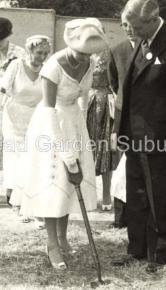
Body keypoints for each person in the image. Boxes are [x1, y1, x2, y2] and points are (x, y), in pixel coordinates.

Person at [112, 0, 166, 273]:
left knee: (159, 195)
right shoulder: (141, 39)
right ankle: (136, 249)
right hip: (133, 136)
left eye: (136, 26)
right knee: (135, 195)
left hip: (162, 138)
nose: (131, 32)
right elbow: (129, 90)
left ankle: (159, 255)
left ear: (153, 19)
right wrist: (119, 131)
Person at [19, 18, 107, 270]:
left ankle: (63, 237)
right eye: (80, 53)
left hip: (73, 123)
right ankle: (51, 243)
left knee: (71, 182)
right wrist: (65, 150)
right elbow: (48, 110)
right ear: (70, 45)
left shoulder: (88, 63)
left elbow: (83, 100)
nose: (83, 58)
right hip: (50, 126)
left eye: (88, 54)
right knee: (53, 182)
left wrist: (81, 139)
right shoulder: (52, 65)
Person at [1, 35, 51, 228]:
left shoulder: (47, 68)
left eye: (46, 53)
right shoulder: (16, 65)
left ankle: (32, 205)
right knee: (16, 160)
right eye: (39, 53)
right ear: (29, 51)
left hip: (36, 119)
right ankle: (16, 204)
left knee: (34, 160)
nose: (42, 57)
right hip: (13, 118)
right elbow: (3, 88)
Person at [108, 12, 137, 228]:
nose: (128, 28)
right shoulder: (117, 50)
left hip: (148, 120)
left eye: (132, 24)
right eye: (124, 25)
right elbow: (113, 83)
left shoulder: (153, 49)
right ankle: (120, 218)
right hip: (123, 116)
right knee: (122, 168)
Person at [86, 18, 114, 211]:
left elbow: (116, 80)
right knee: (83, 149)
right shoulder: (81, 54)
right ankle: (85, 196)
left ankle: (106, 196)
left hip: (104, 102)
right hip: (84, 102)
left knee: (105, 150)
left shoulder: (110, 53)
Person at [0, 17, 25, 187]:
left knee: (12, 149)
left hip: (11, 108)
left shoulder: (20, 54)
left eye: (1, 39)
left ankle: (13, 189)